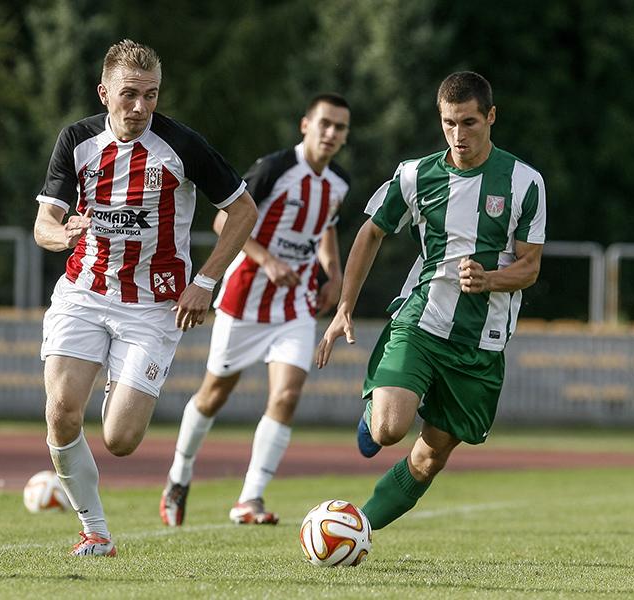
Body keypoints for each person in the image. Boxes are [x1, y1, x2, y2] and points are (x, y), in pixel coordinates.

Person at [33, 39, 257, 556]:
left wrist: (205, 281)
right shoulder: (77, 140)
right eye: (129, 95)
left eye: (151, 96)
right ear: (104, 92)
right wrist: (63, 234)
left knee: (121, 440)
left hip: (153, 307)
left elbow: (243, 210)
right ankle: (96, 531)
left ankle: (122, 377)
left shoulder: (182, 144)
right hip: (84, 292)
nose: (140, 107)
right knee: (62, 411)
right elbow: (45, 222)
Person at [316, 72, 546, 533]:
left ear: (491, 117)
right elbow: (371, 231)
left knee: (432, 454)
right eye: (448, 123)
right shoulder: (416, 174)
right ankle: (373, 415)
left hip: (481, 344)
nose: (458, 135)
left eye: (469, 122)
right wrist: (344, 307)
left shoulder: (524, 182)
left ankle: (357, 527)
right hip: (422, 321)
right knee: (388, 430)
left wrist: (490, 279)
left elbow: (531, 268)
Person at [160, 94, 351, 527]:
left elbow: (327, 229)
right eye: (325, 123)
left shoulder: (340, 182)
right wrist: (267, 260)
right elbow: (224, 223)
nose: (331, 133)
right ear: (306, 124)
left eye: (340, 127)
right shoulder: (275, 169)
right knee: (214, 394)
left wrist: (333, 273)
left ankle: (250, 498)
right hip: (244, 298)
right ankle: (178, 476)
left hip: (295, 304)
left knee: (286, 394)